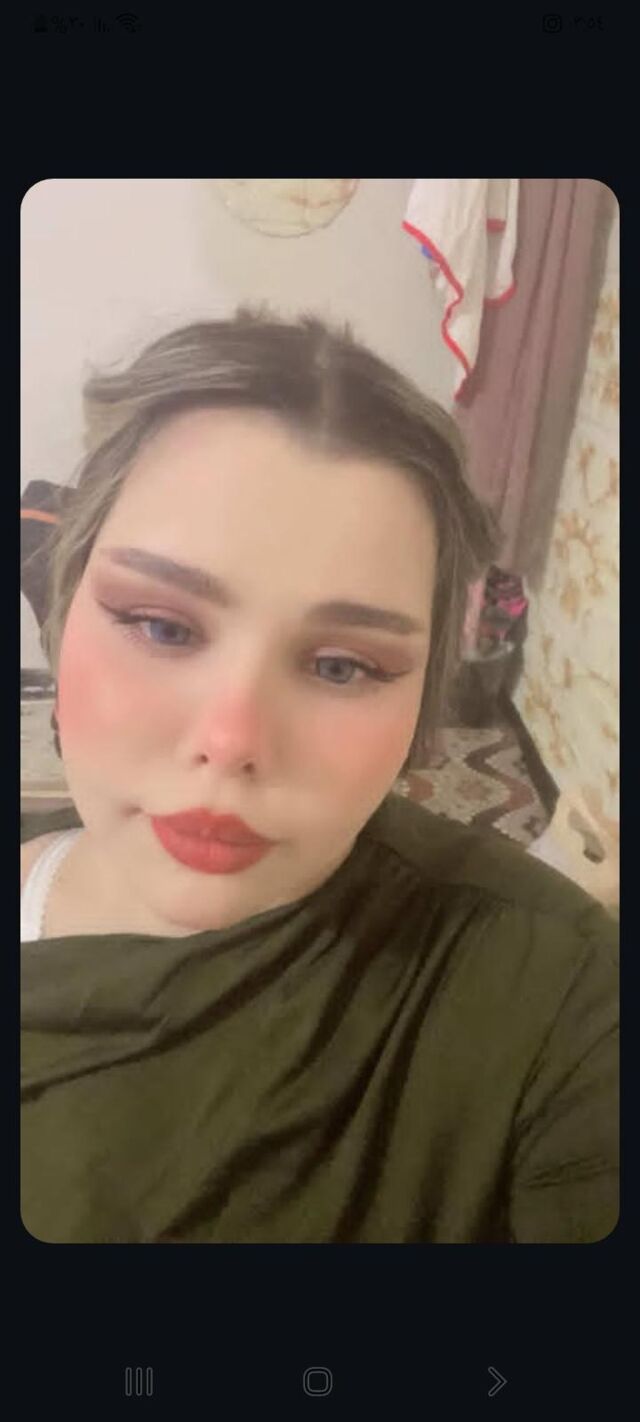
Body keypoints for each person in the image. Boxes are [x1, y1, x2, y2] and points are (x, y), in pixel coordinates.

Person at [20, 309, 618, 1244]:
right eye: (162, 626)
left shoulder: (557, 995)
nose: (232, 741)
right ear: (62, 616)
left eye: (343, 667)